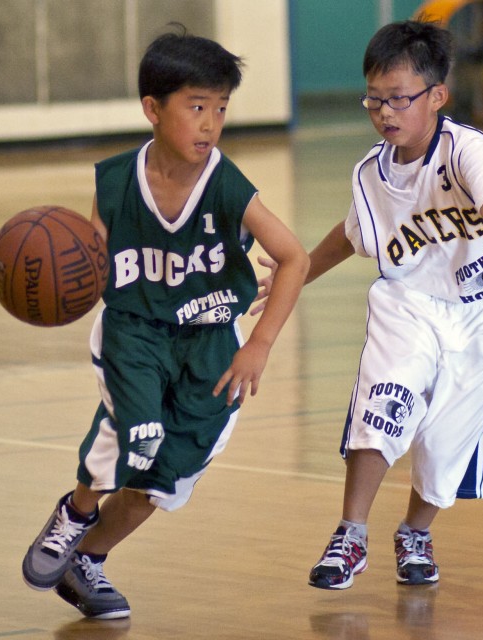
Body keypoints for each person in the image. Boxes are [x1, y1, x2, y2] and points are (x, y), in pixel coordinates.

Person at [22, 28, 309, 619]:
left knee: (161, 482)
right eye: (196, 107)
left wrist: (258, 343)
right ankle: (75, 512)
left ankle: (86, 560)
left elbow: (294, 257)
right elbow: (91, 265)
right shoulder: (115, 183)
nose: (211, 124)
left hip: (211, 346)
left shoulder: (227, 186)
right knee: (139, 434)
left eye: (221, 109)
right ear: (153, 109)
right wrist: (57, 293)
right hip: (136, 333)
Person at [258, 19, 483, 589]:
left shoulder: (466, 149)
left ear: (437, 96)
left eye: (399, 99)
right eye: (374, 99)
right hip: (411, 300)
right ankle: (350, 535)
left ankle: (415, 533)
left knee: (443, 443)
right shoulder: (371, 173)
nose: (385, 112)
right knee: (384, 402)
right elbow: (352, 235)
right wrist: (298, 271)